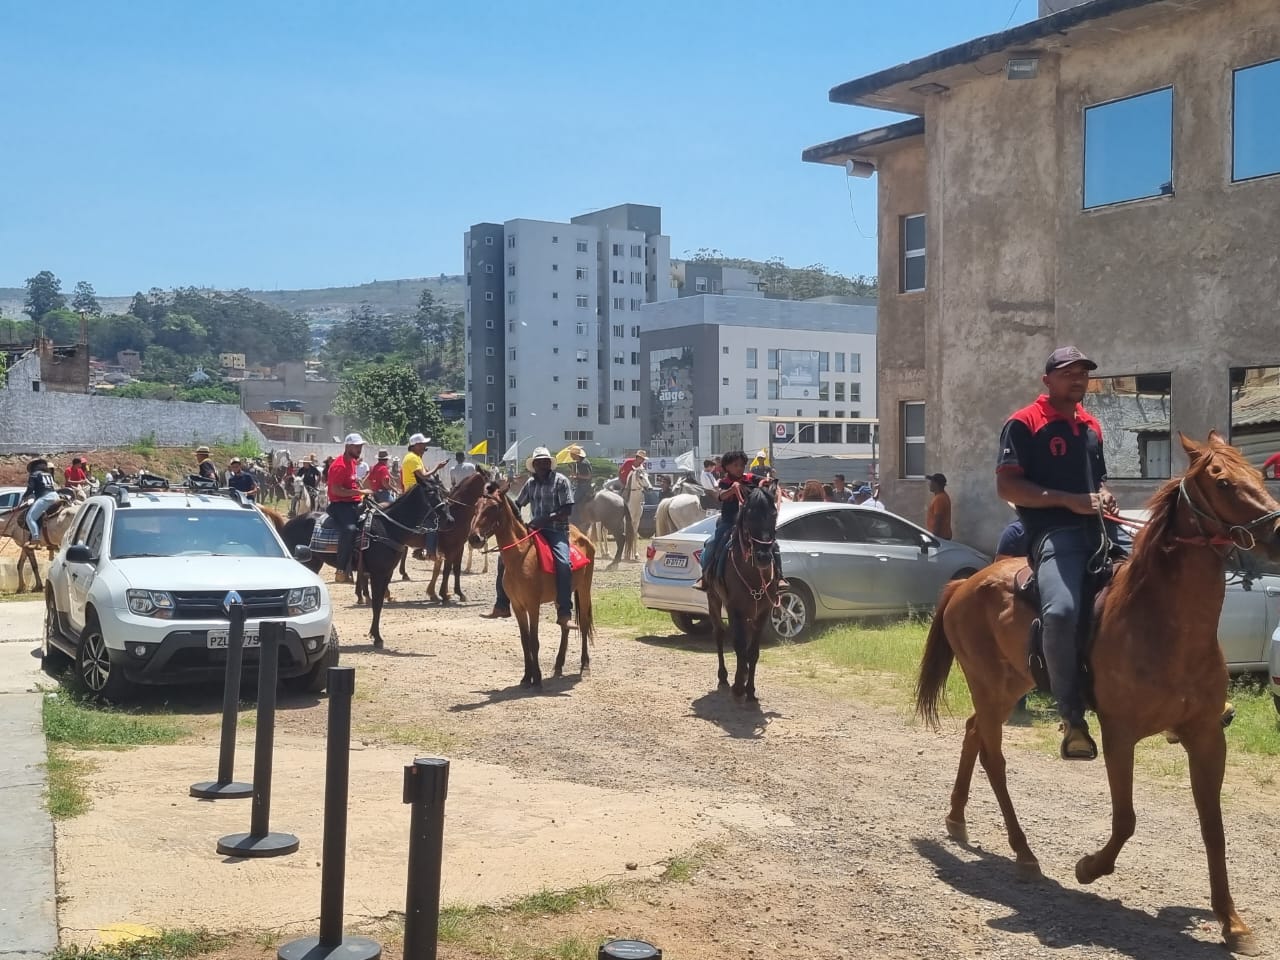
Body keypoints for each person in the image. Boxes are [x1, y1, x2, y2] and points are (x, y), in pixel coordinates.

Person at [997, 345, 1117, 762]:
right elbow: (1008, 487)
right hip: (1054, 534)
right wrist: (1069, 501)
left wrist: (1103, 495)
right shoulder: (1024, 422)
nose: (1078, 378)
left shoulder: (1091, 425)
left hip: (1102, 529)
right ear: (1047, 380)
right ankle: (1072, 717)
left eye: (1083, 372)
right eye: (1068, 372)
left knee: (1162, 582)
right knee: (1062, 613)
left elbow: (1098, 480)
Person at [481, 447, 577, 627]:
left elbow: (567, 509)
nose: (542, 465)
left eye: (545, 461)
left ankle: (564, 612)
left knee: (563, 563)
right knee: (503, 559)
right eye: (538, 462)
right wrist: (502, 496)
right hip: (534, 530)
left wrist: (545, 518)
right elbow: (518, 505)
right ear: (534, 465)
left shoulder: (561, 481)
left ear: (550, 463)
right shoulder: (530, 483)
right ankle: (502, 605)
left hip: (556, 531)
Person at [692, 450, 787, 592]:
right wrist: (732, 490)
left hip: (750, 523)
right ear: (727, 467)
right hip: (729, 521)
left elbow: (763, 481)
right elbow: (720, 496)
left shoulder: (749, 478)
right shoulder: (724, 482)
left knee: (772, 544)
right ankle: (705, 577)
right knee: (712, 544)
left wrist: (767, 481)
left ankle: (779, 577)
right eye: (735, 465)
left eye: (742, 465)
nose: (740, 468)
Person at [327, 433, 368, 582]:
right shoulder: (339, 465)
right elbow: (336, 490)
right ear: (348, 446)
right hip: (340, 505)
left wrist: (361, 490)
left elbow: (350, 483)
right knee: (350, 529)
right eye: (356, 446)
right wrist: (359, 492)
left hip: (353, 502)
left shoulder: (352, 462)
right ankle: (341, 569)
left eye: (360, 446)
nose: (359, 449)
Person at [402, 433, 450, 558]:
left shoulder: (416, 457)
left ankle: (421, 548)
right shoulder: (412, 458)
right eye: (423, 444)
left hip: (417, 492)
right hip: (416, 493)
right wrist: (437, 467)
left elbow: (425, 474)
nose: (425, 447)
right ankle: (430, 551)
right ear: (415, 445)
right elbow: (423, 476)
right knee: (433, 519)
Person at [22, 457, 60, 547]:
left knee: (30, 518)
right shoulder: (48, 474)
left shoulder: (34, 474)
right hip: (55, 496)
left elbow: (30, 488)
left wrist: (24, 496)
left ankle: (35, 539)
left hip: (45, 498)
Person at [925, 473, 953, 539]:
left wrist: (933, 538)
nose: (929, 484)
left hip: (940, 537)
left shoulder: (939, 499)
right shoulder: (943, 496)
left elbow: (937, 521)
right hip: (943, 536)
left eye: (931, 482)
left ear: (936, 484)